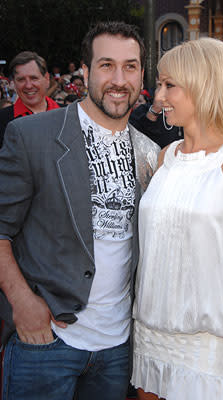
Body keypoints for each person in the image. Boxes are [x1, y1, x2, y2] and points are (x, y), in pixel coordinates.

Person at [0, 21, 160, 400]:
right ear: (85, 72)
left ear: (141, 74)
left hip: (118, 347)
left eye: (130, 66)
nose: (119, 79)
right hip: (46, 341)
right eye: (106, 65)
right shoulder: (31, 136)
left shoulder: (150, 153)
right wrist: (22, 302)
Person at [131, 37, 223, 400]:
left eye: (169, 85)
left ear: (204, 85)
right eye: (159, 84)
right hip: (150, 331)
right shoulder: (165, 157)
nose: (158, 97)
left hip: (208, 341)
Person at [0, 51, 59, 147]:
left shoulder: (70, 115)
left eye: (34, 78)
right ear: (14, 83)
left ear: (47, 79)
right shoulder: (2, 120)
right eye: (21, 80)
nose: (28, 85)